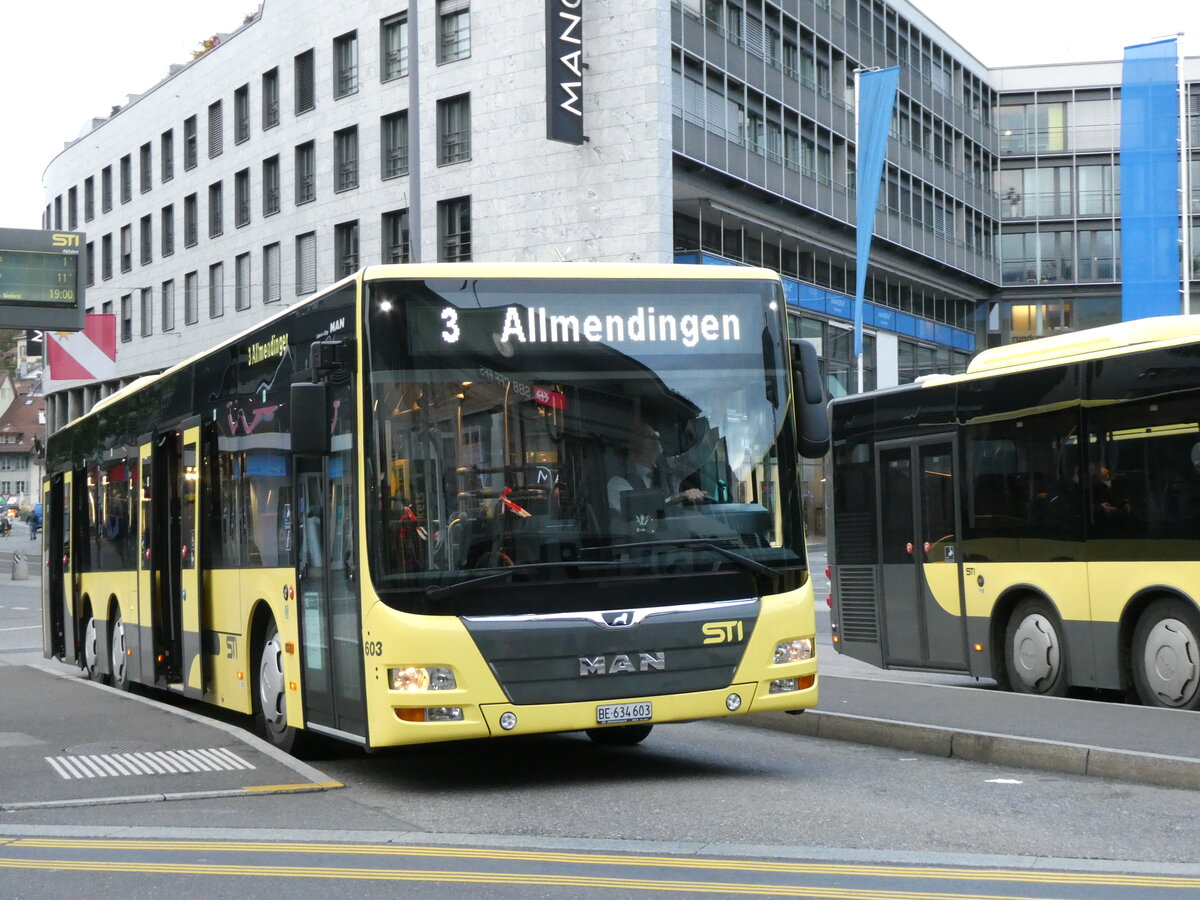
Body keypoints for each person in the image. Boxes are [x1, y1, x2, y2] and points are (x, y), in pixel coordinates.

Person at [607, 421, 707, 513]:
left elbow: (702, 453)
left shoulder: (669, 470)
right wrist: (677, 498)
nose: (656, 438)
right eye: (649, 435)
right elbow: (638, 510)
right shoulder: (617, 483)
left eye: (656, 434)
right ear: (631, 445)